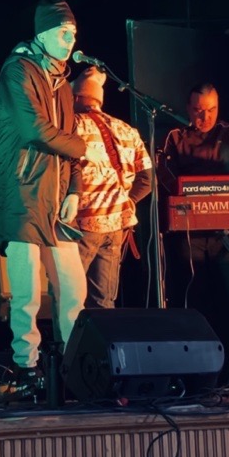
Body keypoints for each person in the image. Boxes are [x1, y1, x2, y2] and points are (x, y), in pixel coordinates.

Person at [0, 0, 106, 400]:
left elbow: (68, 138)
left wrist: (74, 189)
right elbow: (34, 130)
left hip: (57, 200)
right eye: (63, 33)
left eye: (74, 33)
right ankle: (26, 368)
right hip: (22, 195)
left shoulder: (62, 83)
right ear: (42, 34)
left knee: (73, 289)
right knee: (25, 295)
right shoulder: (17, 71)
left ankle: (75, 369)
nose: (71, 40)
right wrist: (84, 149)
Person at [157, 81, 229, 382]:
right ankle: (194, 374)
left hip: (226, 233)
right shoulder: (175, 137)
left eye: (211, 110)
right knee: (193, 300)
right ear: (188, 109)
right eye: (199, 111)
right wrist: (192, 197)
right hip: (189, 234)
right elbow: (165, 177)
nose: (205, 117)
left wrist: (224, 199)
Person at [71, 66, 153, 308]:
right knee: (103, 302)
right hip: (117, 227)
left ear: (76, 97)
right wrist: (128, 201)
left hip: (83, 224)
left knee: (70, 299)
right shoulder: (127, 130)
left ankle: (70, 336)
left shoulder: (72, 127)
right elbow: (147, 180)